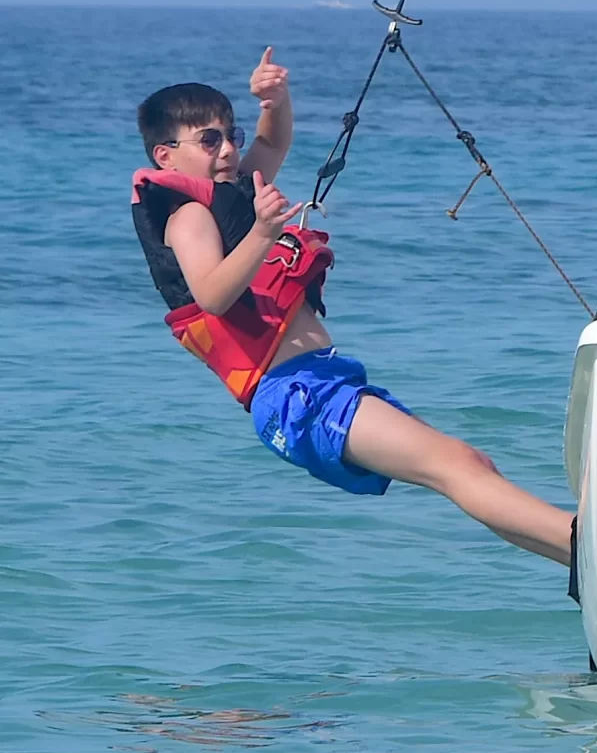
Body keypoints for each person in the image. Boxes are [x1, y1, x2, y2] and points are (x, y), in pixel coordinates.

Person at [132, 52, 573, 566]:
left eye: (233, 134)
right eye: (210, 140)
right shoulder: (187, 217)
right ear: (165, 156)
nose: (229, 148)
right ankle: (590, 545)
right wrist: (263, 233)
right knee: (456, 463)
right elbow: (211, 295)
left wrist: (276, 100)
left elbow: (273, 142)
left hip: (323, 378)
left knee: (469, 465)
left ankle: (578, 561)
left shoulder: (230, 194)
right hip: (294, 394)